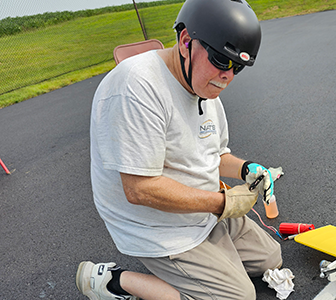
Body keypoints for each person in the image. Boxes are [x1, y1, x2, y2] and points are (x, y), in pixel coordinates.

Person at [75, 0, 282, 299]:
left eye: (237, 66)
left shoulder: (205, 85)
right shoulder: (137, 87)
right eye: (222, 60)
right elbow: (139, 190)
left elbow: (215, 154)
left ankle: (210, 264)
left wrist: (245, 168)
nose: (228, 76)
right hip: (158, 229)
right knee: (239, 297)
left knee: (270, 259)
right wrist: (221, 203)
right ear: (186, 41)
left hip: (202, 211)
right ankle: (112, 281)